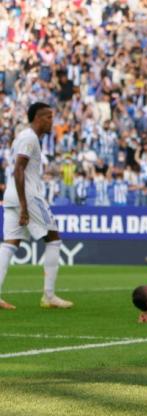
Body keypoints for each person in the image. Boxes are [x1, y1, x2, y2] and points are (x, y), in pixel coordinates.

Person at [0, 102, 73, 310]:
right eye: (49, 117)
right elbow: (18, 170)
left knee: (10, 243)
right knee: (53, 239)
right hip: (28, 197)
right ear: (39, 118)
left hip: (12, 195)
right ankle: (49, 296)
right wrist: (24, 205)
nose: (52, 121)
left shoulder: (26, 137)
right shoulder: (29, 137)